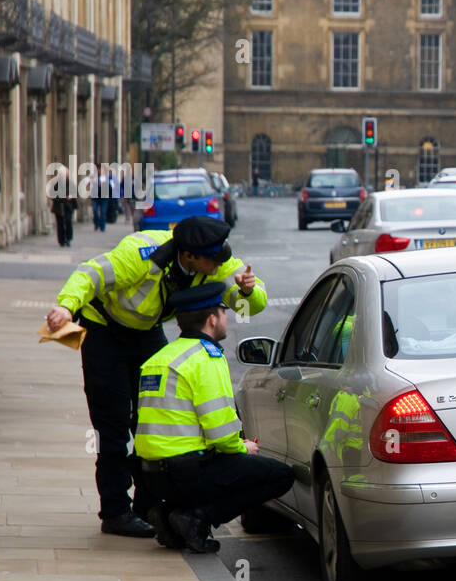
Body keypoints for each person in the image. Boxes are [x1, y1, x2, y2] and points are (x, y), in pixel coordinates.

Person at [43, 217, 266, 537]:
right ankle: (115, 510)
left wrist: (248, 290)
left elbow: (249, 305)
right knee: (113, 424)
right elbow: (89, 273)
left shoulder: (215, 257)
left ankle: (145, 504)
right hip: (104, 330)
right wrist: (66, 308)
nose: (219, 266)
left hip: (146, 333)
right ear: (188, 256)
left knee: (155, 418)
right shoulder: (141, 253)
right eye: (212, 261)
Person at [134, 282, 294, 552]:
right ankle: (197, 517)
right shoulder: (206, 359)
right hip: (185, 473)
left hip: (151, 476)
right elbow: (221, 432)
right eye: (223, 312)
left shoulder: (160, 358)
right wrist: (243, 447)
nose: (227, 319)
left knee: (218, 465)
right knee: (280, 475)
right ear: (211, 319)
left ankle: (169, 515)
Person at [49, 163, 76, 247]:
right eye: (61, 174)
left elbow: (75, 193)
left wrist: (71, 196)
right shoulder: (55, 184)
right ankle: (61, 240)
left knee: (68, 222)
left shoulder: (70, 183)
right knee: (60, 224)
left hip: (68, 207)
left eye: (64, 174)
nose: (62, 176)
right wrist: (62, 197)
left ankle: (68, 238)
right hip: (59, 207)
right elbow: (52, 195)